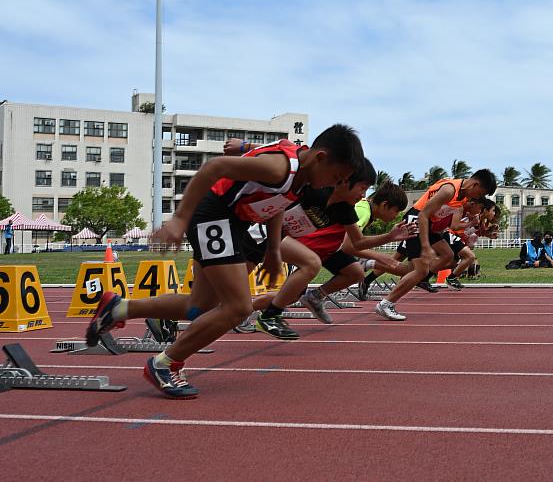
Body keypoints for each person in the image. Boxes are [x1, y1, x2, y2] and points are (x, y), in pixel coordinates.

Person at [85, 124, 364, 399]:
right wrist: (180, 219)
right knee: (238, 307)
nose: (335, 184)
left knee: (199, 306)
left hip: (233, 222)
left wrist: (272, 251)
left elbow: (278, 203)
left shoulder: (303, 178)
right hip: (213, 214)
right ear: (321, 157)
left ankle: (118, 308)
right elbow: (214, 167)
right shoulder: (280, 168)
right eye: (336, 177)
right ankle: (165, 364)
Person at [249, 161, 416, 340]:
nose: (362, 195)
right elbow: (350, 246)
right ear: (384, 205)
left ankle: (313, 297)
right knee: (291, 292)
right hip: (306, 246)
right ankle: (246, 311)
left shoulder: (350, 208)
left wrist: (388, 241)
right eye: (362, 188)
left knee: (354, 272)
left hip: (325, 251)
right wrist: (379, 257)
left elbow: (354, 243)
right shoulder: (361, 210)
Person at [370, 170, 496, 320]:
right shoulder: (449, 190)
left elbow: (451, 218)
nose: (480, 198)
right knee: (420, 270)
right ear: (475, 184)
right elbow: (423, 214)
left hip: (432, 226)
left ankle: (371, 264)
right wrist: (426, 246)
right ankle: (386, 303)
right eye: (481, 193)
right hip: (417, 220)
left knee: (444, 257)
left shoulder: (463, 197)